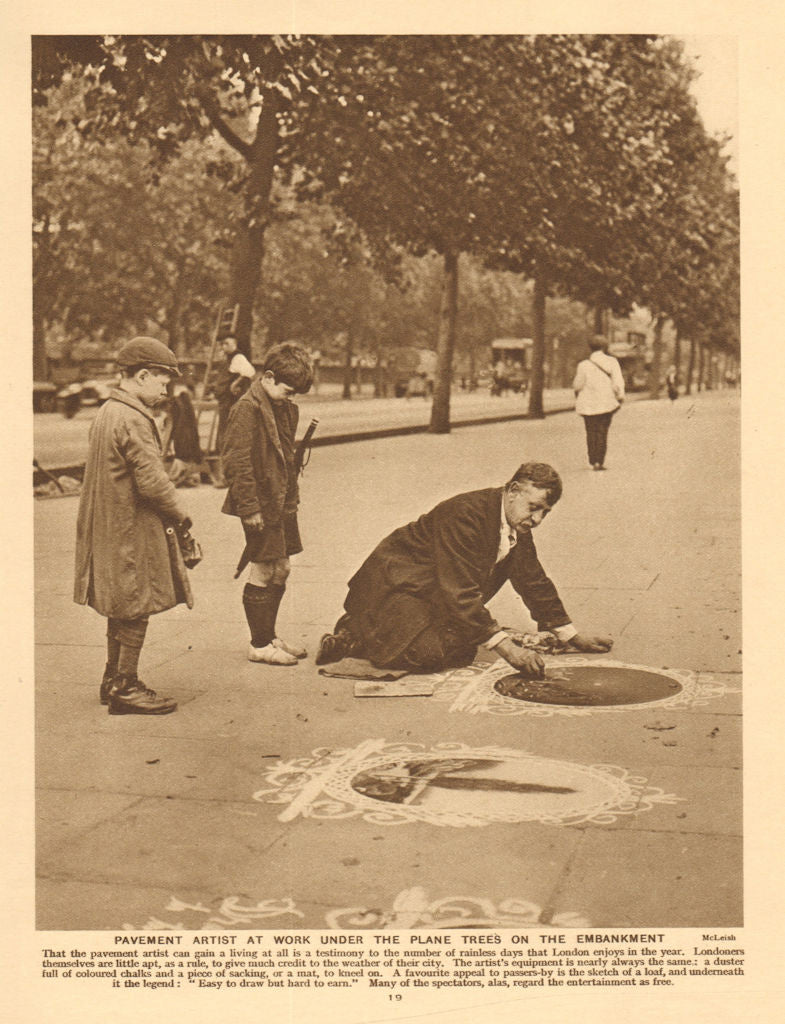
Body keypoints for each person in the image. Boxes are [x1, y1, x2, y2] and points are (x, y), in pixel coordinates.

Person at [316, 463, 612, 676]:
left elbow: (532, 579)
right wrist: (509, 650)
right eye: (534, 507)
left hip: (430, 591)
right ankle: (355, 632)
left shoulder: (514, 522)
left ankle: (384, 631)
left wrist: (570, 635)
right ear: (513, 490)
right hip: (393, 586)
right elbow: (460, 591)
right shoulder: (465, 514)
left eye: (545, 512)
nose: (537, 520)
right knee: (428, 655)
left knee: (461, 647)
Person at [74, 337, 197, 715]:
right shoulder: (134, 419)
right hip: (130, 528)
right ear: (142, 376)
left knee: (122, 604)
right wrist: (183, 516)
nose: (166, 390)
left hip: (108, 526)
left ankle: (112, 678)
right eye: (162, 381)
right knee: (136, 603)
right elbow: (153, 483)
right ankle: (125, 686)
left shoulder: (108, 412)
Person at [221, 343, 315, 665]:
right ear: (269, 377)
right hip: (260, 504)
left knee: (282, 568)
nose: (290, 398)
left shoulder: (284, 407)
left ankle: (270, 635)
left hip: (282, 501)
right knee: (263, 569)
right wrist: (249, 508)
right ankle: (259, 645)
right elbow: (236, 463)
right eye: (288, 391)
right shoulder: (246, 409)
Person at [572, 335, 625, 470]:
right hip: (607, 403)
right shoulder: (612, 362)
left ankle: (592, 459)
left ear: (590, 347)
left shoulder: (583, 365)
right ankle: (599, 462)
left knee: (590, 431)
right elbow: (618, 382)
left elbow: (577, 385)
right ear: (604, 347)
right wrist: (620, 396)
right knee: (602, 431)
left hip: (588, 404)